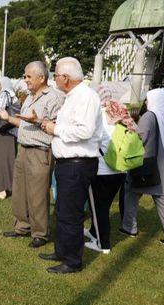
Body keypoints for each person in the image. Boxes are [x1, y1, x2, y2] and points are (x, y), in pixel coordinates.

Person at [38, 57, 103, 274]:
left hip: (78, 163)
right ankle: (62, 250)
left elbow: (84, 131)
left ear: (66, 78)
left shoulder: (85, 97)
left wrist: (54, 129)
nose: (54, 78)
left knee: (71, 214)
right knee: (62, 210)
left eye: (56, 74)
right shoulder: (72, 97)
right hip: (68, 163)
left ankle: (72, 260)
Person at [0, 61, 65, 248]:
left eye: (28, 76)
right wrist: (8, 118)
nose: (25, 80)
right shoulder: (29, 97)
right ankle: (22, 226)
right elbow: (25, 123)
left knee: (37, 194)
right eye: (25, 76)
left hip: (40, 151)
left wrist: (37, 120)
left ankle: (40, 233)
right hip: (24, 149)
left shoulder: (55, 98)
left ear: (41, 77)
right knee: (20, 191)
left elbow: (57, 125)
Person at [84, 99, 134, 254]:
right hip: (120, 172)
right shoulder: (125, 123)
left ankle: (102, 244)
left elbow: (91, 141)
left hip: (102, 172)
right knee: (103, 206)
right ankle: (93, 232)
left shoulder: (102, 121)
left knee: (99, 209)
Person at [121, 88, 164, 245]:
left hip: (147, 163)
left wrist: (130, 129)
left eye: (149, 99)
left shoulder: (150, 115)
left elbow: (141, 136)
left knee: (131, 193)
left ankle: (129, 227)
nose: (147, 102)